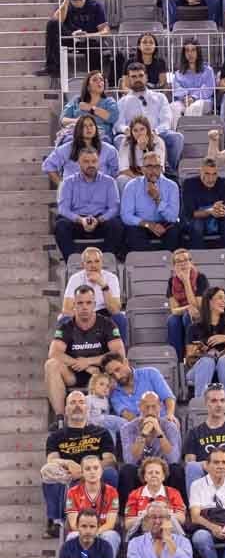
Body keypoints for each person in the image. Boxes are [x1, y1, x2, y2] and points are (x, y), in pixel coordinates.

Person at [45, 288, 125, 421]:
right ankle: (60, 418)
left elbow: (119, 353)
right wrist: (82, 365)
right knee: (51, 365)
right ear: (74, 305)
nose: (84, 307)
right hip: (74, 373)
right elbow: (54, 353)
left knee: (119, 367)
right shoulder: (66, 326)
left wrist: (88, 361)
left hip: (101, 373)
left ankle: (115, 415)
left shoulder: (107, 324)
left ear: (94, 304)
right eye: (80, 303)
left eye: (88, 303)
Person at [122, 501, 205, 558]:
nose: (157, 521)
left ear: (168, 519)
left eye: (161, 517)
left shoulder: (182, 541)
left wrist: (169, 540)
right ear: (147, 520)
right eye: (153, 517)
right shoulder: (136, 542)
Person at [39, 0, 109, 80]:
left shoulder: (95, 5)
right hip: (70, 39)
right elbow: (56, 22)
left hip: (88, 40)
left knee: (93, 46)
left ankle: (97, 79)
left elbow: (105, 31)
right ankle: (52, 67)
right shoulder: (64, 6)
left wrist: (88, 35)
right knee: (52, 23)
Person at [53, 152, 123, 261]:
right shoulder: (68, 182)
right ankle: (72, 261)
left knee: (116, 225)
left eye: (94, 161)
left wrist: (99, 220)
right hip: (77, 221)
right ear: (78, 163)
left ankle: (105, 261)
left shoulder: (109, 182)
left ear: (98, 163)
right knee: (61, 225)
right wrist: (81, 220)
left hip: (100, 221)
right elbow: (63, 209)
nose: (91, 165)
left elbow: (114, 208)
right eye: (86, 161)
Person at [119, 152, 181, 251]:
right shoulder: (131, 186)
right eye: (149, 166)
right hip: (142, 225)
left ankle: (167, 262)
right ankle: (145, 262)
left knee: (174, 230)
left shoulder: (172, 186)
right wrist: (149, 225)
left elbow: (173, 217)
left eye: (157, 167)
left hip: (164, 224)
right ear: (142, 169)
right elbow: (126, 216)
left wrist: (157, 199)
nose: (153, 171)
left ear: (161, 169)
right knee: (132, 231)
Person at [45, 115, 119, 187]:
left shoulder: (109, 149)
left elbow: (115, 172)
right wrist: (62, 185)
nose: (88, 128)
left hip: (100, 189)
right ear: (78, 129)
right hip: (73, 189)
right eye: (84, 126)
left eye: (91, 125)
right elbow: (48, 165)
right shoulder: (66, 148)